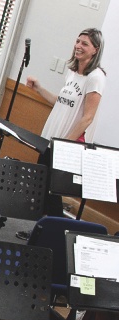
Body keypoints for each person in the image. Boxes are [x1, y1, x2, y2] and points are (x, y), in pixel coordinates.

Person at [16, 28, 105, 239]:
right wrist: (38, 89)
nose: (78, 46)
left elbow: (87, 117)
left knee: (49, 191)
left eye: (85, 44)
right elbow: (62, 102)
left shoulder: (96, 77)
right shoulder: (73, 72)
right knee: (42, 188)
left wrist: (63, 144)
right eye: (77, 41)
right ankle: (46, 232)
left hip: (65, 144)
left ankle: (51, 234)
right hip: (51, 138)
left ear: (95, 50)